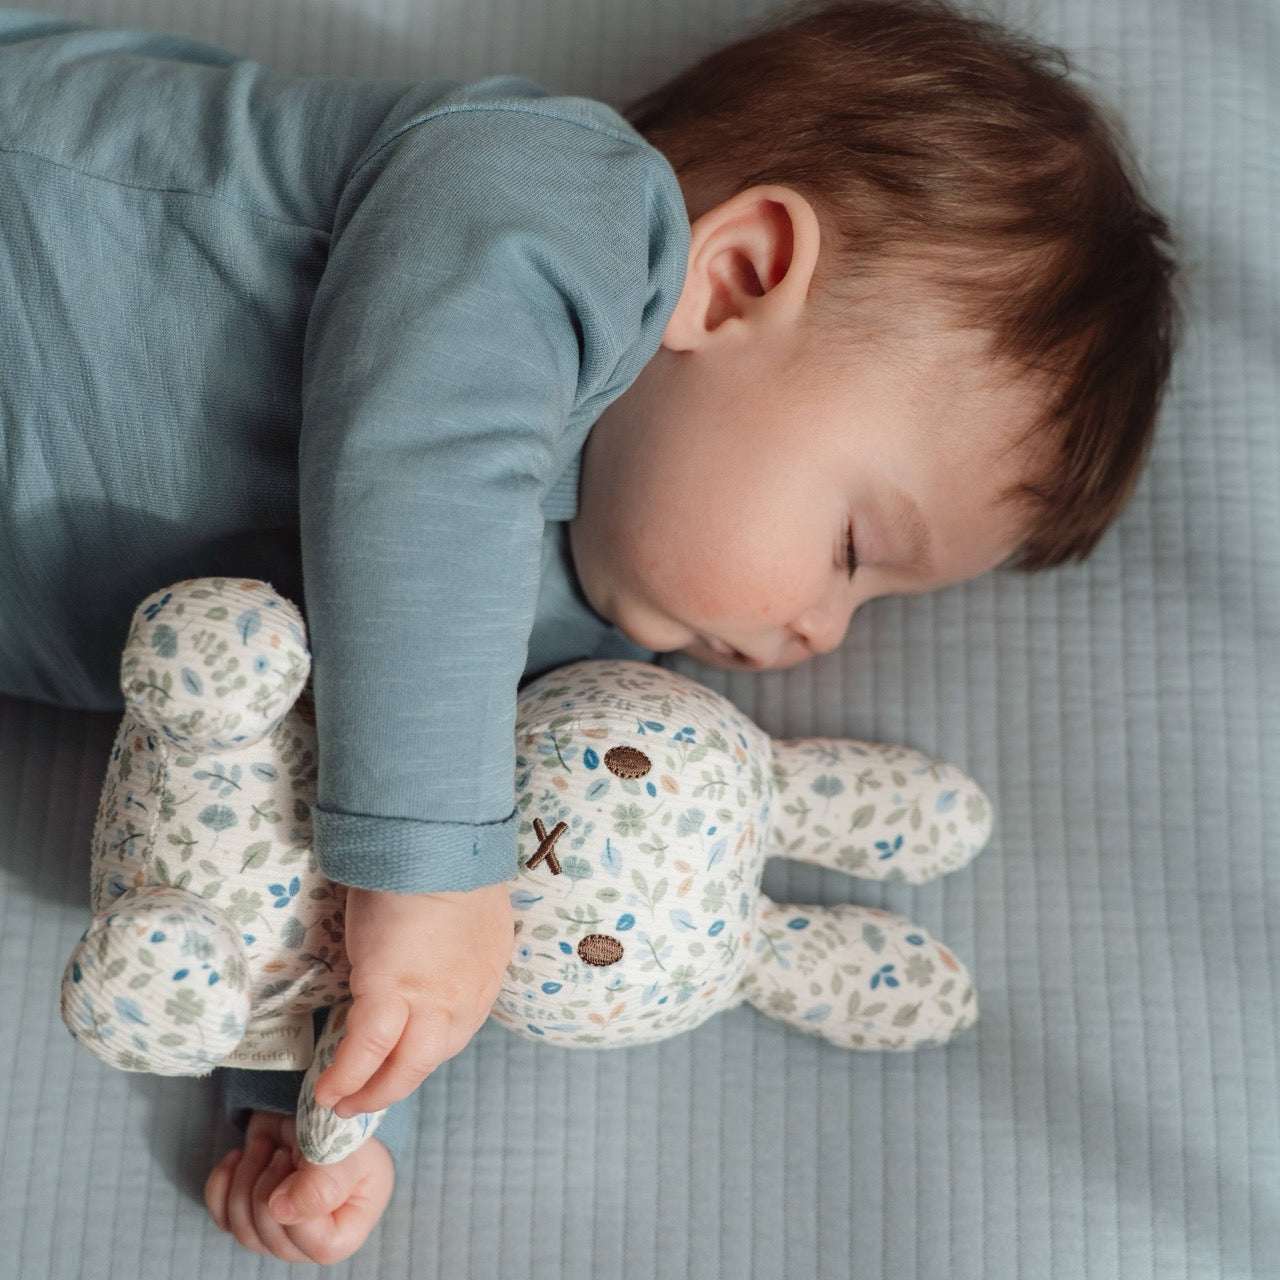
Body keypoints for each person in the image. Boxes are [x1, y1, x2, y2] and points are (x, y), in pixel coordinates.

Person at [0, 0, 1175, 1263]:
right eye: (850, 549)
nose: (820, 631)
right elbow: (419, 471)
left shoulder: (582, 690)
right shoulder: (558, 203)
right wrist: (436, 875)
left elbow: (333, 886)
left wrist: (317, 1094)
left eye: (869, 604)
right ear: (732, 278)